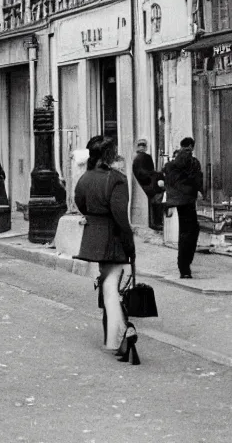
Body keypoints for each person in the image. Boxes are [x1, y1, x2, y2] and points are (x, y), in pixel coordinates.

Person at [74, 136, 140, 364]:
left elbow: (80, 204)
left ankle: (114, 336)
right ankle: (121, 334)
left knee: (108, 284)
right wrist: (130, 246)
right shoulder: (117, 180)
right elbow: (121, 216)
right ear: (110, 156)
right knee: (113, 287)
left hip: (94, 237)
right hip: (113, 237)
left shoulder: (85, 179)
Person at [162, 137, 205, 279]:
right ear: (192, 147)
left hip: (178, 202)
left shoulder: (171, 165)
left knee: (183, 233)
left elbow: (167, 180)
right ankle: (186, 266)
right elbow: (198, 180)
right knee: (191, 231)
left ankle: (183, 267)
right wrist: (199, 191)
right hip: (189, 201)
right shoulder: (194, 163)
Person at [132, 138, 164, 231]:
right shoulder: (145, 157)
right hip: (147, 184)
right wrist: (158, 175)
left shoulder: (136, 158)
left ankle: (155, 222)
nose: (142, 147)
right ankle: (156, 222)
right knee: (158, 197)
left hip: (142, 184)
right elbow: (146, 173)